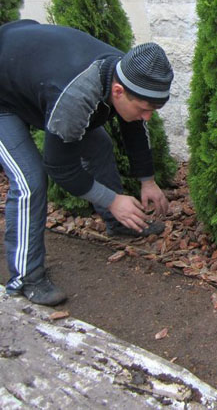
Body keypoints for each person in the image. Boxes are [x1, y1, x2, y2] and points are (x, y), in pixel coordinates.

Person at [0, 19, 174, 306]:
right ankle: (27, 278)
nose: (148, 117)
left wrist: (148, 180)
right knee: (30, 181)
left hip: (29, 69)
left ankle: (117, 226)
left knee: (101, 144)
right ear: (117, 92)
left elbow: (134, 127)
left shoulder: (127, 71)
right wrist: (112, 199)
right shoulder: (75, 97)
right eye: (145, 109)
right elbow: (60, 167)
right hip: (4, 96)